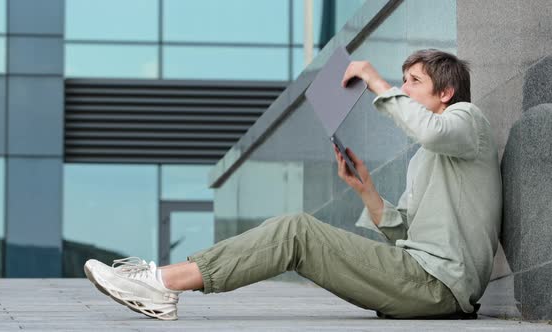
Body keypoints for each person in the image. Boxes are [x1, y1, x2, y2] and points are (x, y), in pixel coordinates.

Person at [84, 49, 502, 321]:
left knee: (296, 230)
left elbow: (429, 130)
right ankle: (163, 278)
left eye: (413, 81)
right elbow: (404, 231)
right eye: (402, 80)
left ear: (446, 92)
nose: (402, 88)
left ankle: (163, 284)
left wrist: (375, 80)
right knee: (294, 232)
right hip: (421, 277)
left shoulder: (469, 120)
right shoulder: (429, 156)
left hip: (437, 286)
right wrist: (366, 190)